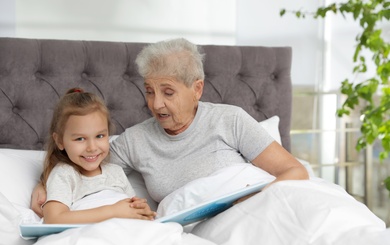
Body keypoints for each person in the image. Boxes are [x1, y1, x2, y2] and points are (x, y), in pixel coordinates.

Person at [31, 38, 309, 217]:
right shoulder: (136, 140)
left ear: (196, 89)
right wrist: (45, 183)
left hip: (254, 213)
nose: (156, 104)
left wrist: (251, 202)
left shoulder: (230, 120)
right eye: (149, 91)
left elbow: (294, 171)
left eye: (168, 92)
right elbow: (86, 157)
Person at [40, 88, 156, 224]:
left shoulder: (116, 172)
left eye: (100, 136)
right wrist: (113, 212)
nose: (92, 148)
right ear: (60, 141)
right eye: (80, 139)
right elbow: (54, 219)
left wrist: (142, 209)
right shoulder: (64, 174)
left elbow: (130, 209)